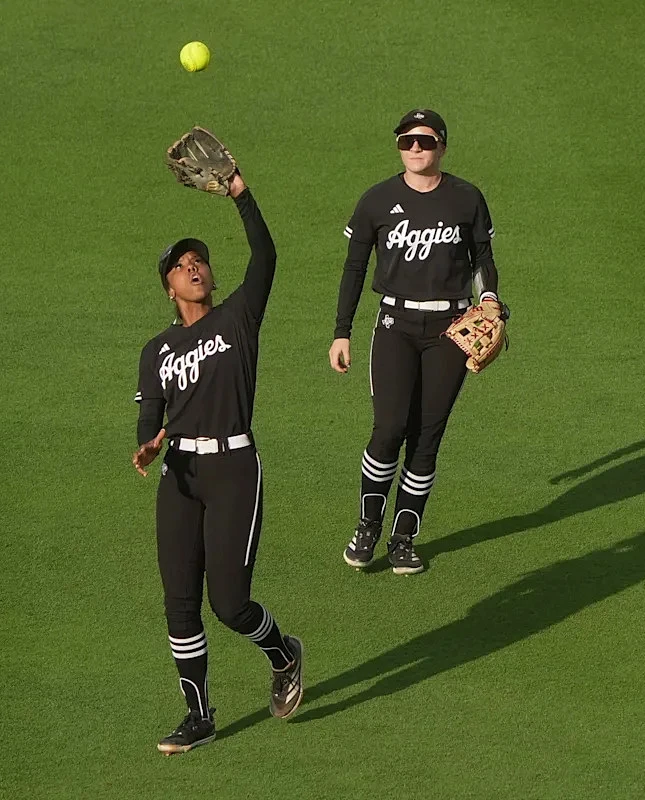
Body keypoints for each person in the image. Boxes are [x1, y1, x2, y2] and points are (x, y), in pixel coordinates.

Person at [132, 168, 303, 755]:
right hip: (179, 478)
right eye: (183, 265)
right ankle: (198, 714)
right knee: (179, 601)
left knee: (229, 603)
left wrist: (239, 192)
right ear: (169, 287)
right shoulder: (156, 350)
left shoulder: (238, 319)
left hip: (234, 470)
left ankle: (283, 653)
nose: (195, 268)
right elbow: (148, 417)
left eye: (199, 260)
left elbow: (266, 256)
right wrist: (149, 444)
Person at [328, 108, 507, 575]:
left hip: (450, 329)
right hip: (395, 326)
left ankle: (404, 536)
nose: (415, 149)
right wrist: (341, 331)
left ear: (442, 146)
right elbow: (354, 268)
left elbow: (483, 256)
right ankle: (367, 527)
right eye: (406, 141)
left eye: (425, 141)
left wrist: (488, 298)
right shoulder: (377, 200)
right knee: (389, 429)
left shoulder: (466, 199)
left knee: (427, 436)